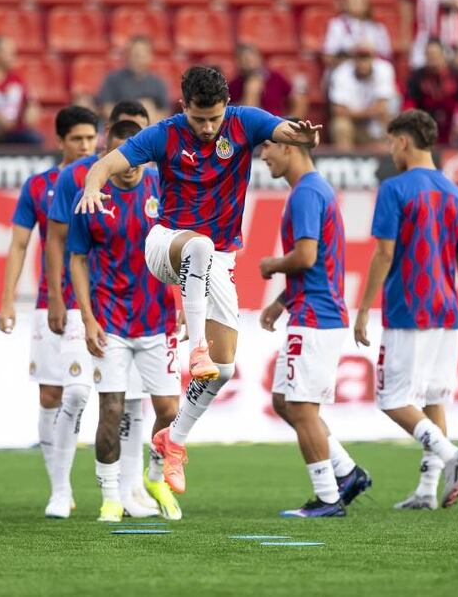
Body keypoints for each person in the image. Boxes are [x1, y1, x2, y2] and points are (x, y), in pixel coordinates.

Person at [75, 66, 321, 494]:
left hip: (217, 260)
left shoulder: (245, 121)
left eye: (215, 118)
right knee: (200, 248)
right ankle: (196, 351)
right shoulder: (164, 134)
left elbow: (289, 133)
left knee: (223, 370)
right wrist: (93, 187)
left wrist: (305, 137)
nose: (208, 128)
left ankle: (174, 441)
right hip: (167, 244)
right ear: (183, 107)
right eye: (199, 118)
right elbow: (106, 164)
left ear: (227, 106)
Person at [353, 110, 458, 510]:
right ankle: (427, 491)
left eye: (392, 143)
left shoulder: (395, 189)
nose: (391, 151)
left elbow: (384, 253)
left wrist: (363, 308)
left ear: (404, 141)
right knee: (433, 397)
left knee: (392, 399)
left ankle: (450, 454)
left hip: (409, 308)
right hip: (447, 312)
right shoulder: (456, 193)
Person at [67, 119, 183, 523]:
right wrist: (87, 318)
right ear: (108, 154)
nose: (130, 163)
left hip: (158, 319)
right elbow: (77, 259)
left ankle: (153, 477)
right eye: (122, 155)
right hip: (111, 321)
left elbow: (182, 248)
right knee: (112, 411)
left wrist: (184, 301)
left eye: (136, 155)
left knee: (171, 409)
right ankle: (111, 498)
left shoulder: (163, 191)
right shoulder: (92, 197)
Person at [257, 134, 372, 518]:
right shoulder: (314, 189)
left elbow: (306, 256)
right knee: (283, 402)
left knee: (302, 408)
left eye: (267, 149)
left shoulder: (306, 193)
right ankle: (347, 472)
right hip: (312, 309)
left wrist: (272, 265)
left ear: (288, 147)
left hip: (315, 316)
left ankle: (327, 498)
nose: (263, 156)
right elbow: (318, 262)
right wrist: (279, 302)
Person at [0, 106, 100, 519]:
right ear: (61, 141)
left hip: (100, 302)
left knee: (82, 393)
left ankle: (114, 485)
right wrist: (8, 299)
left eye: (91, 139)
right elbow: (21, 244)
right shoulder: (40, 186)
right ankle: (60, 486)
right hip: (51, 301)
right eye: (78, 139)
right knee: (50, 394)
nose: (86, 146)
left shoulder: (107, 178)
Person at [328, 40, 400, 152]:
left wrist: (353, 112)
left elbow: (382, 108)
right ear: (353, 58)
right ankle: (346, 162)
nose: (363, 62)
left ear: (373, 58)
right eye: (359, 57)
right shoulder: (341, 72)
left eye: (366, 57)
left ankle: (388, 162)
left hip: (373, 121)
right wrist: (369, 112)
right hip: (353, 124)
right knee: (340, 125)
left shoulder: (384, 69)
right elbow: (338, 110)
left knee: (389, 120)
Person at [404, 38, 458, 147]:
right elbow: (408, 106)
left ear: (443, 55)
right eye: (429, 55)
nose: (432, 58)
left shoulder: (456, 77)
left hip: (450, 128)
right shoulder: (417, 77)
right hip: (424, 127)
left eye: (435, 54)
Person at [96, 37, 169, 121]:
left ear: (150, 57)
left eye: (141, 55)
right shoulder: (113, 79)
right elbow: (106, 108)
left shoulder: (158, 82)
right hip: (121, 127)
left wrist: (149, 119)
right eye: (134, 55)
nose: (137, 59)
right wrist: (130, 116)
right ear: (127, 56)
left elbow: (165, 112)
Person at [229, 44, 307, 119]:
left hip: (277, 122)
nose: (248, 63)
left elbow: (297, 98)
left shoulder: (275, 77)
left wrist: (290, 123)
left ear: (259, 58)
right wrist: (250, 92)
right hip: (252, 126)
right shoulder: (234, 85)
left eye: (250, 58)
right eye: (243, 59)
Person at [322, 0, 392, 67]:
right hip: (345, 68)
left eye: (361, 1)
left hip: (372, 69)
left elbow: (386, 57)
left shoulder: (377, 28)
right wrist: (352, 53)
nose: (358, 4)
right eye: (354, 1)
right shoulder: (337, 25)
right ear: (345, 4)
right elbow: (328, 57)